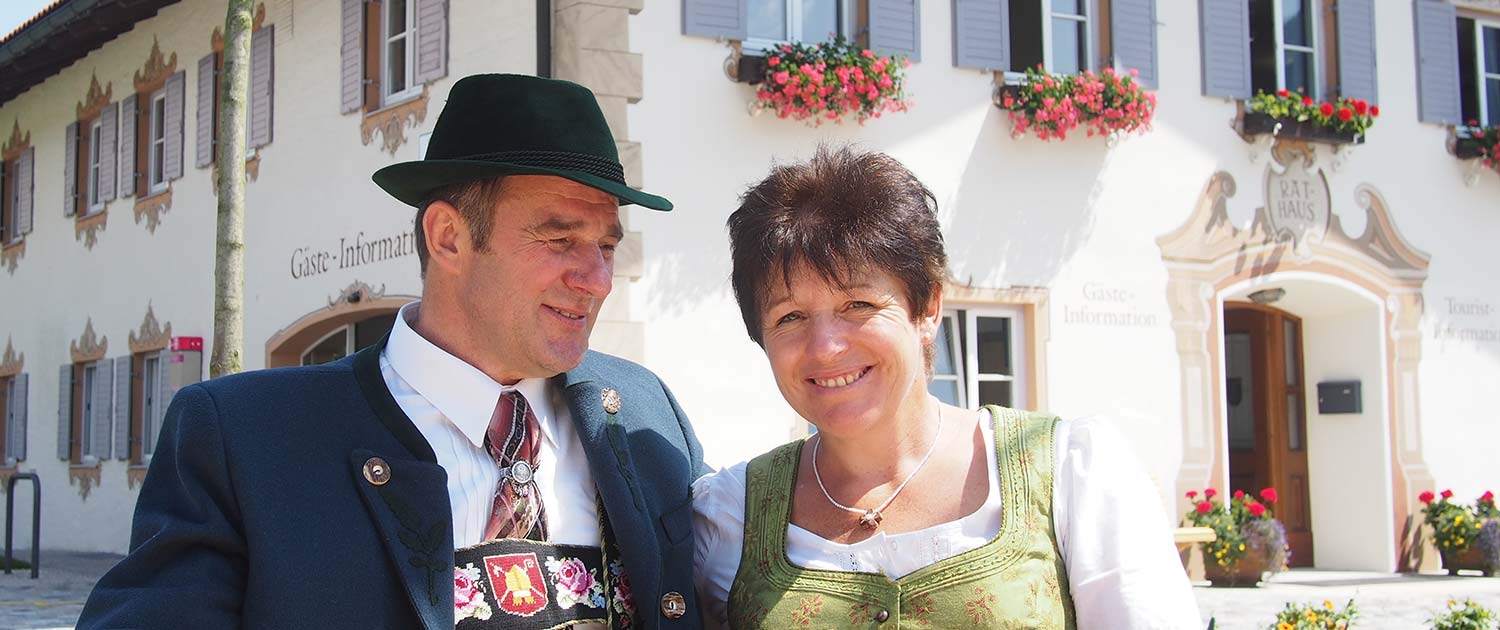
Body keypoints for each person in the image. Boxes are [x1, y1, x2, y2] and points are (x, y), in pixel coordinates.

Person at [79, 74, 710, 630]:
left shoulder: (643, 413)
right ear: (449, 237)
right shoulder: (246, 439)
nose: (597, 277)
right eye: (560, 237)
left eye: (605, 245)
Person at [693, 146, 1202, 629]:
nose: (825, 346)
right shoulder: (731, 515)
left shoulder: (1071, 473)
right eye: (791, 316)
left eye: (859, 305)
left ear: (928, 308)